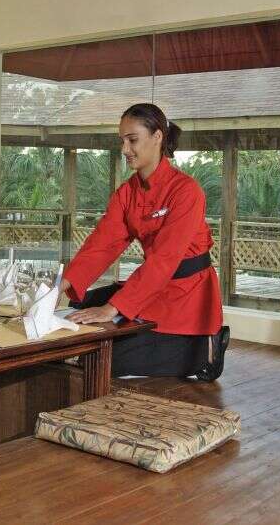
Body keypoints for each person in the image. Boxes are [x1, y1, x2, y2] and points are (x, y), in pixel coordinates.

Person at [60, 103, 229, 381]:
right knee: (79, 309)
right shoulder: (127, 193)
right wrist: (61, 285)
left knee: (101, 359)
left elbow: (164, 260)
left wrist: (111, 309)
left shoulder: (187, 191)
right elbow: (102, 244)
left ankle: (205, 349)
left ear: (157, 137)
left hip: (185, 296)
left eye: (132, 140)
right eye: (122, 141)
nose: (125, 149)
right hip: (152, 285)